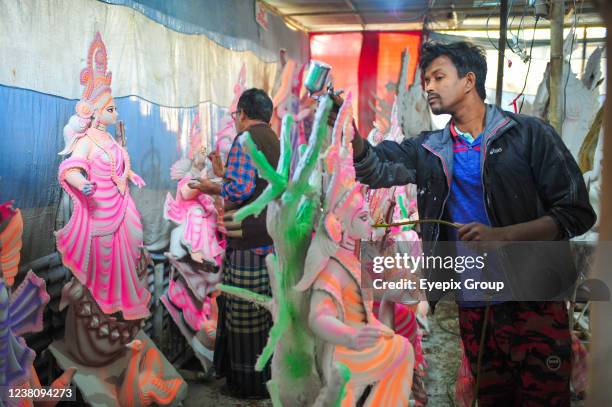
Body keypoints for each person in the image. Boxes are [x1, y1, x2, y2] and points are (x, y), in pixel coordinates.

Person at [332, 41, 595, 406]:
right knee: (490, 395)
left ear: (469, 80)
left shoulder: (530, 135)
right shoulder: (430, 149)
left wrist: (504, 235)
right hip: (475, 303)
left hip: (535, 299)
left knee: (544, 396)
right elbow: (376, 167)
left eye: (438, 77)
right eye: (426, 80)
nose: (428, 87)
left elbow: (576, 211)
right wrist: (352, 136)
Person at [189, 88, 280, 399]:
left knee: (243, 314)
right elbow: (256, 184)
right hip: (269, 239)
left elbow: (239, 190)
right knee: (263, 312)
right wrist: (222, 174)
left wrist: (207, 185)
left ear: (242, 114)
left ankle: (246, 386)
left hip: (247, 243)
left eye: (235, 115)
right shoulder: (274, 140)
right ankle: (264, 379)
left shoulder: (245, 140)